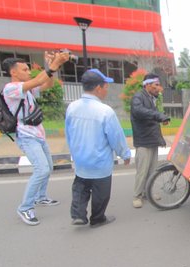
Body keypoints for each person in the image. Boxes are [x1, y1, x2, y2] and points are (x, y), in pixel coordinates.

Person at [2, 52, 69, 226]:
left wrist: (52, 67)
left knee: (48, 166)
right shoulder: (11, 88)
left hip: (38, 134)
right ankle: (25, 207)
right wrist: (53, 64)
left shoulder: (27, 88)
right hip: (26, 136)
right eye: (24, 69)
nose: (28, 71)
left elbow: (47, 84)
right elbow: (39, 80)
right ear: (13, 72)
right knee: (41, 169)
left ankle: (41, 197)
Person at [65, 69, 131, 228]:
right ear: (97, 88)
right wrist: (125, 154)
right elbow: (116, 136)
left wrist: (74, 152)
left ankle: (78, 214)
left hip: (81, 160)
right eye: (105, 86)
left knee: (80, 188)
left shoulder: (72, 107)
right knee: (101, 193)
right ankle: (97, 218)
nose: (107, 89)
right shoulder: (105, 111)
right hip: (99, 162)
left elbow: (69, 133)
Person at [130, 73, 170, 208]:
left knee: (152, 170)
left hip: (152, 140)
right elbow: (139, 111)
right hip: (143, 141)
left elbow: (153, 122)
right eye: (156, 85)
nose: (158, 88)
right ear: (147, 85)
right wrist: (159, 115)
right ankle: (137, 195)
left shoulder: (151, 98)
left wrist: (160, 139)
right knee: (142, 171)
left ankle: (148, 192)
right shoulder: (138, 97)